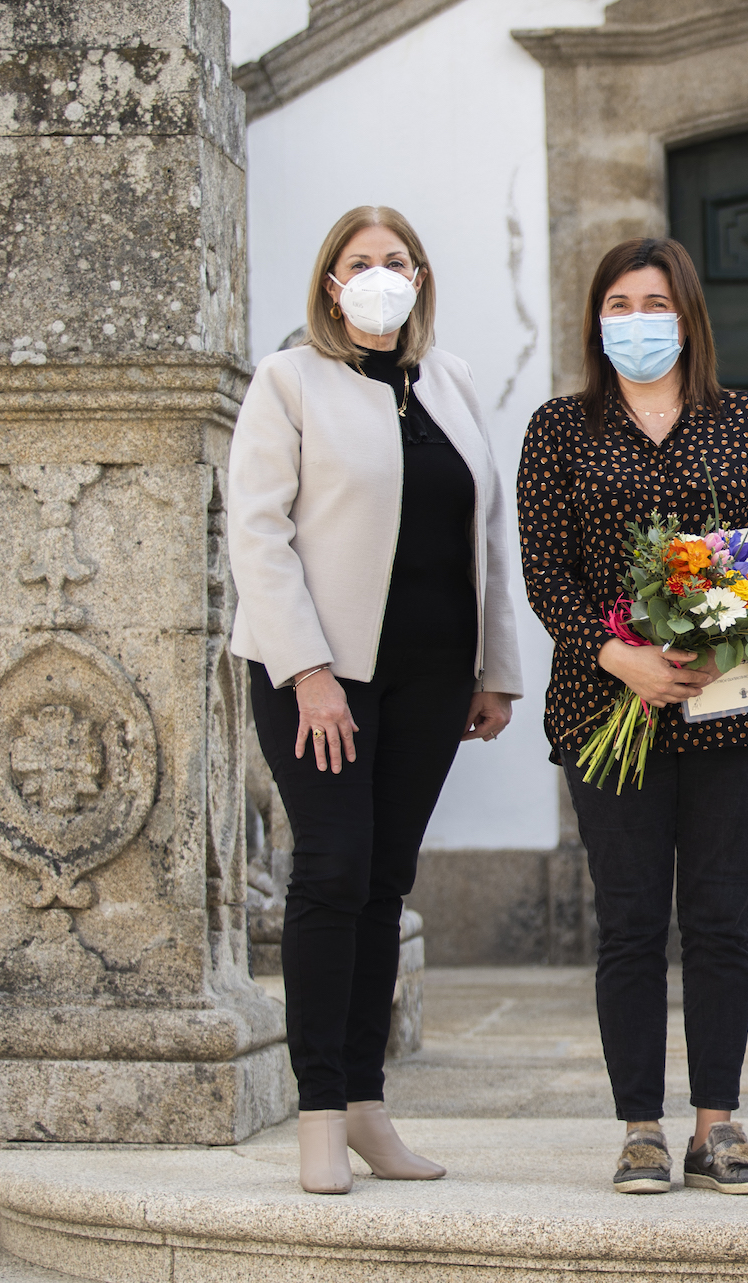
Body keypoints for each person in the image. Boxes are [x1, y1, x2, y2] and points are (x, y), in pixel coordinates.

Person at [517, 237, 748, 1197]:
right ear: (596, 319)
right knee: (632, 921)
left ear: (689, 316)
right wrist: (624, 657)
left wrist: (728, 636)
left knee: (721, 920)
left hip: (733, 712)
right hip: (609, 705)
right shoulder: (560, 428)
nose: (638, 321)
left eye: (656, 303)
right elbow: (545, 569)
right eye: (620, 304)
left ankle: (718, 1126)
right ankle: (640, 1127)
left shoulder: (747, 423)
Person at [229, 205, 523, 1196]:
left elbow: (486, 529)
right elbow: (257, 534)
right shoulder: (289, 381)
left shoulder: (451, 382)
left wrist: (496, 667)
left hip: (435, 674)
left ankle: (364, 1102)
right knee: (333, 869)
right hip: (320, 674)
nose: (381, 276)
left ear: (422, 276)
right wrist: (306, 667)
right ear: (329, 284)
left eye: (397, 260)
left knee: (385, 878)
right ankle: (317, 1108)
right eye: (362, 262)